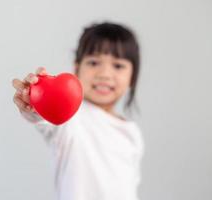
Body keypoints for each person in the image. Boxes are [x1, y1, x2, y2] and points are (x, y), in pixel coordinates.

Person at [12, 22, 145, 200]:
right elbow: (48, 122)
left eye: (118, 66)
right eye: (94, 62)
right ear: (77, 68)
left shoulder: (132, 132)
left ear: (132, 77)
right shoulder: (72, 119)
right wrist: (35, 104)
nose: (105, 73)